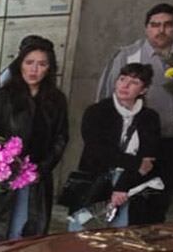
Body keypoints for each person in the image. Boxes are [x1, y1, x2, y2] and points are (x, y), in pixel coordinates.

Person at [95, 3, 173, 222]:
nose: (161, 30)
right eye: (155, 25)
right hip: (134, 143)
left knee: (160, 199)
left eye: (167, 25)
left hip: (171, 141)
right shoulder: (128, 56)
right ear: (147, 27)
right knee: (128, 201)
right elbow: (107, 95)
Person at [0, 35, 69, 242]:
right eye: (29, 63)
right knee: (0, 238)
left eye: (42, 64)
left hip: (36, 180)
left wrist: (41, 169)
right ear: (20, 65)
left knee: (28, 238)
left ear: (49, 68)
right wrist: (1, 165)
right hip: (2, 183)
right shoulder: (1, 97)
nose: (34, 70)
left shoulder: (56, 100)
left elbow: (61, 138)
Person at [70, 63, 163, 230]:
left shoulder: (150, 117)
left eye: (134, 82)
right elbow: (97, 150)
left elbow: (148, 156)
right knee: (83, 230)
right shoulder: (96, 112)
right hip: (96, 179)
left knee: (120, 233)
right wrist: (135, 163)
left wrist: (122, 187)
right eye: (122, 79)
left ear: (143, 90)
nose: (125, 85)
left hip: (129, 183)